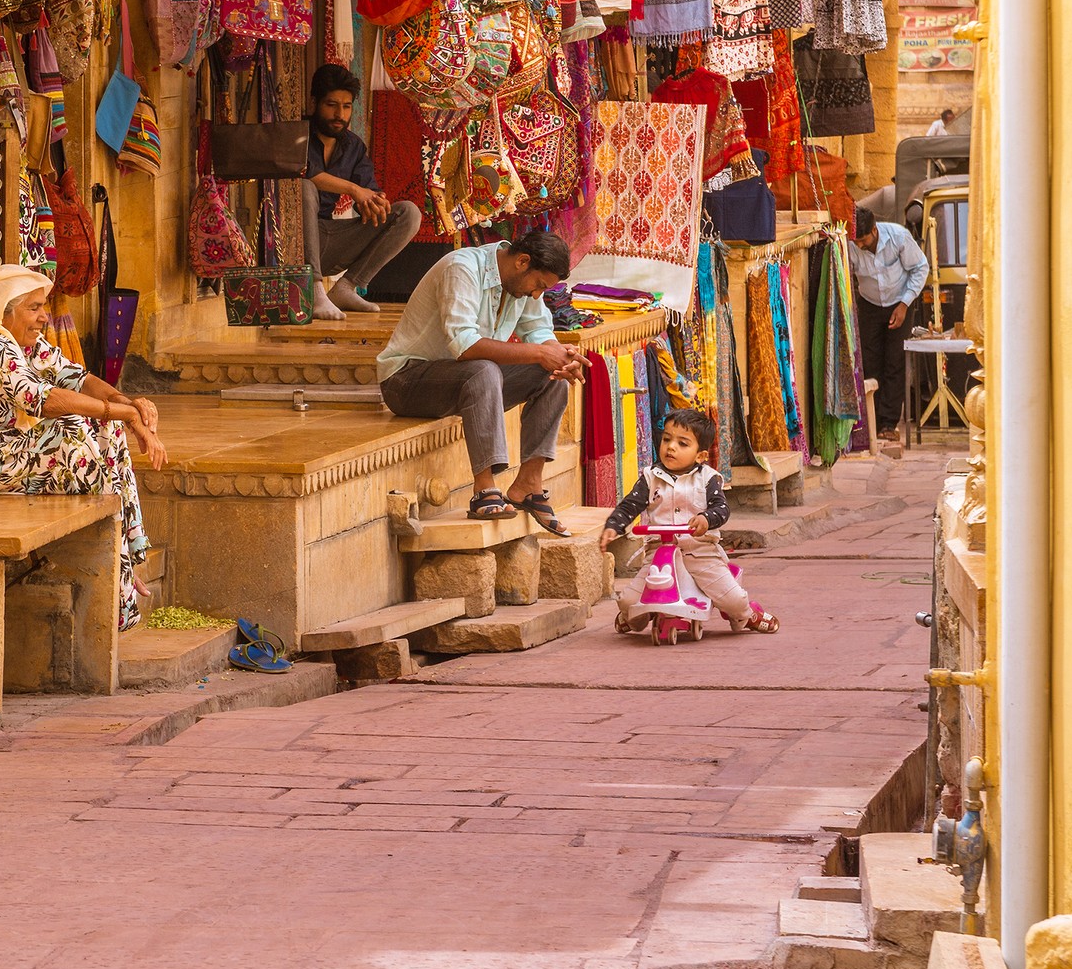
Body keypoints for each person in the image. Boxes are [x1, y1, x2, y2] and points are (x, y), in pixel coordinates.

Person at [0, 264, 166, 630]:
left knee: (107, 432)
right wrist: (124, 412)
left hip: (7, 451)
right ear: (5, 310)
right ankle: (119, 578)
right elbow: (41, 400)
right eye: (34, 308)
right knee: (70, 437)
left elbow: (79, 378)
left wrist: (126, 403)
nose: (44, 317)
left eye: (44, 307)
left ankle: (127, 557)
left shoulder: (26, 343)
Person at [376, 229, 583, 533]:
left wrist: (562, 356)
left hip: (468, 381)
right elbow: (465, 346)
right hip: (406, 381)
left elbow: (539, 330)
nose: (538, 295)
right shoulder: (461, 269)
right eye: (538, 285)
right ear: (522, 262)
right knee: (484, 369)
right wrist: (539, 352)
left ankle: (528, 483)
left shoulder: (521, 285)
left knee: (552, 376)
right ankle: (484, 488)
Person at [602, 409, 780, 635]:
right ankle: (635, 619)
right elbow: (630, 505)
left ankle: (748, 615)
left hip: (701, 553)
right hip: (659, 555)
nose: (671, 447)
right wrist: (613, 526)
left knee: (734, 600)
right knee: (628, 602)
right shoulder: (650, 477)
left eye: (682, 443)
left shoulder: (708, 478)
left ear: (700, 455)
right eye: (667, 439)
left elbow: (722, 508)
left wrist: (707, 518)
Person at [300, 64, 423, 321]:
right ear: (314, 102)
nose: (339, 114)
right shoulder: (297, 134)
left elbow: (369, 192)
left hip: (329, 239)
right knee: (305, 187)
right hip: (294, 241)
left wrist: (376, 203)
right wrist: (353, 190)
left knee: (408, 213)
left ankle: (346, 287)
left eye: (346, 106)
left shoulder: (353, 145)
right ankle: (313, 287)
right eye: (331, 104)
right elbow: (305, 175)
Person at [849, 207, 929, 441]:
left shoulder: (899, 237)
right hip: (869, 304)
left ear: (874, 230)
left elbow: (920, 268)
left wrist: (904, 304)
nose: (860, 245)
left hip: (900, 302)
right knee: (870, 361)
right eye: (857, 240)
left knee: (894, 361)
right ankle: (870, 423)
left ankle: (888, 423)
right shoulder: (852, 246)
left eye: (863, 240)